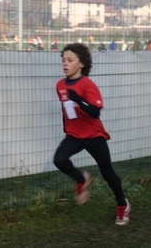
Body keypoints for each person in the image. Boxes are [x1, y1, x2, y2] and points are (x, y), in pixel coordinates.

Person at [53, 43, 131, 226]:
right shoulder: (60, 85)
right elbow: (65, 108)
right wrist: (67, 130)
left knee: (107, 172)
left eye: (70, 60)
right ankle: (81, 180)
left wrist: (78, 98)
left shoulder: (88, 84)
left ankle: (123, 204)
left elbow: (95, 112)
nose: (65, 64)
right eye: (63, 60)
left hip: (93, 135)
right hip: (74, 135)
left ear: (81, 64)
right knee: (60, 159)